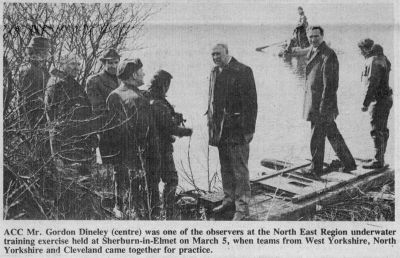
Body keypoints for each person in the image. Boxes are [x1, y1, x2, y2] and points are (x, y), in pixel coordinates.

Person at [207, 44, 258, 221]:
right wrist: (211, 127)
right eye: (213, 55)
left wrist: (250, 130)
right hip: (221, 130)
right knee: (226, 166)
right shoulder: (214, 72)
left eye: (218, 54)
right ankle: (229, 200)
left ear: (228, 53)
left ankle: (242, 209)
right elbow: (211, 101)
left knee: (240, 169)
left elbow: (252, 104)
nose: (215, 57)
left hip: (238, 129)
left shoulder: (243, 71)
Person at [106, 58, 160, 219]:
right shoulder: (138, 99)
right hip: (139, 156)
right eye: (141, 71)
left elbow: (110, 130)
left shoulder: (113, 95)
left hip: (119, 154)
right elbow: (145, 132)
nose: (144, 73)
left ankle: (120, 207)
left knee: (122, 184)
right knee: (141, 204)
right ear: (134, 74)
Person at [302, 26, 356, 177]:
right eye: (311, 36)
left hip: (322, 105)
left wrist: (323, 107)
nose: (313, 39)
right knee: (332, 133)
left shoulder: (328, 54)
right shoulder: (312, 51)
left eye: (316, 36)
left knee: (317, 136)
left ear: (322, 36)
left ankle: (315, 169)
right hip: (314, 102)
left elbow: (330, 85)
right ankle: (349, 163)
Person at [146, 70, 193, 220]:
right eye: (168, 85)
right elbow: (169, 128)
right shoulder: (158, 103)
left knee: (152, 181)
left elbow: (162, 121)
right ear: (164, 85)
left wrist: (173, 116)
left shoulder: (148, 97)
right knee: (171, 179)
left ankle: (153, 212)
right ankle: (169, 212)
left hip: (149, 148)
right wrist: (186, 131)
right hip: (162, 148)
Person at [45, 56, 97, 174]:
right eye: (73, 64)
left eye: (79, 64)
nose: (77, 68)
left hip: (78, 143)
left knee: (81, 182)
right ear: (62, 64)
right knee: (71, 181)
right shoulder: (59, 84)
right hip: (68, 145)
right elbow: (60, 118)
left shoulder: (69, 83)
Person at [358, 40, 393, 169]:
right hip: (386, 98)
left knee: (376, 130)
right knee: (383, 129)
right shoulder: (383, 58)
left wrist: (365, 103)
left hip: (378, 100)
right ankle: (380, 158)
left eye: (361, 50)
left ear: (366, 49)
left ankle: (378, 161)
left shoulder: (372, 61)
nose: (360, 53)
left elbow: (371, 83)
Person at [86, 49, 120, 164]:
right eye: (110, 63)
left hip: (123, 130)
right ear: (103, 63)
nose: (114, 66)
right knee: (109, 166)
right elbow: (97, 108)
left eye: (116, 62)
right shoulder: (95, 80)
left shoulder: (122, 80)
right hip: (106, 130)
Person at [18, 36, 51, 128]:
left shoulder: (41, 68)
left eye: (46, 51)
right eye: (44, 51)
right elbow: (28, 98)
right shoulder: (28, 68)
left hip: (41, 115)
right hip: (33, 116)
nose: (46, 54)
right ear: (34, 51)